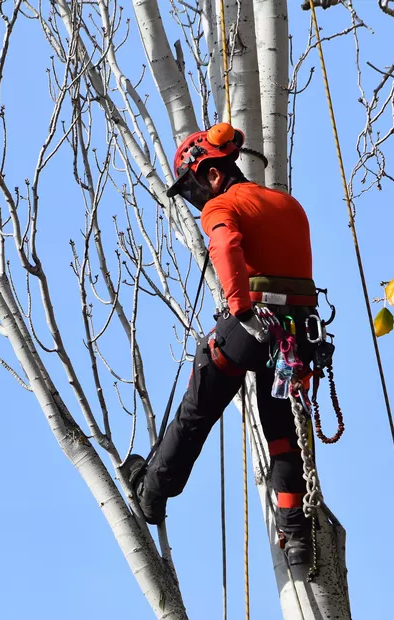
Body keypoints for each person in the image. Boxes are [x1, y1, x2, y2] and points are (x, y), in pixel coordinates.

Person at [119, 122, 320, 566]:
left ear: (212, 173)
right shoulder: (289, 204)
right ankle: (297, 534)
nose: (195, 202)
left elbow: (226, 244)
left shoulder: (223, 205)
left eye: (192, 188)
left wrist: (241, 309)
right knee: (283, 434)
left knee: (199, 406)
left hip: (255, 324)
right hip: (299, 335)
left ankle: (152, 492)